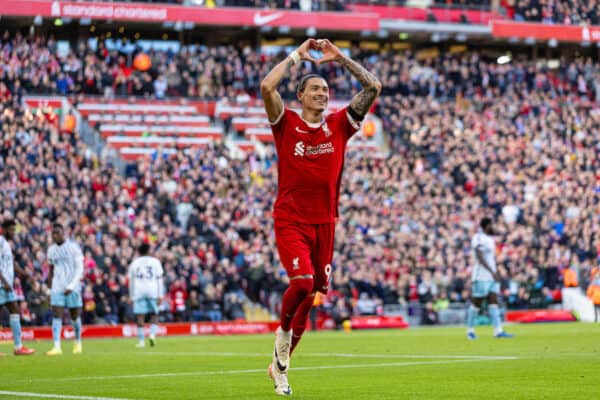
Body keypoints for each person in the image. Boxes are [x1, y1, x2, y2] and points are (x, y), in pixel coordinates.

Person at [260, 38, 381, 395]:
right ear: (300, 95)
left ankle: (280, 366)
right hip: (291, 219)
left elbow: (373, 86)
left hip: (325, 223)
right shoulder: (286, 124)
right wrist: (297, 55)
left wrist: (340, 58)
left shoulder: (341, 125)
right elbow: (268, 86)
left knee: (312, 297)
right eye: (315, 89)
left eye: (326, 90)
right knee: (301, 283)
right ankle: (281, 348)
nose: (323, 94)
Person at [466, 217, 514, 339]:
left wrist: (496, 271)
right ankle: (470, 330)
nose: (493, 227)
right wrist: (492, 271)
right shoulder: (478, 237)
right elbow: (479, 255)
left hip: (492, 276)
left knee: (494, 302)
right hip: (481, 276)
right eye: (491, 225)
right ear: (486, 226)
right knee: (477, 303)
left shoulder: (490, 239)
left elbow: (490, 259)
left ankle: (498, 331)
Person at [46, 222, 84, 355]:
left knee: (74, 316)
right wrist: (49, 289)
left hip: (73, 287)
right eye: (53, 234)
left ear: (64, 233)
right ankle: (57, 346)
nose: (55, 236)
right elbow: (50, 270)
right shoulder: (51, 250)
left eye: (57, 233)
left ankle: (78, 342)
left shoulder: (73, 248)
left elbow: (80, 268)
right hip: (57, 287)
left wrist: (72, 285)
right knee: (56, 315)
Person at [0, 219, 35, 356]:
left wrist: (25, 274)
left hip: (6, 286)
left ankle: (18, 347)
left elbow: (12, 264)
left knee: (15, 310)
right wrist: (5, 282)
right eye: (12, 230)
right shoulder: (1, 242)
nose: (14, 232)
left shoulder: (7, 244)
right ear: (5, 229)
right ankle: (18, 346)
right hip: (3, 285)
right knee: (13, 310)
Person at [128, 243, 164, 348]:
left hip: (139, 291)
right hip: (152, 290)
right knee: (154, 314)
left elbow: (131, 281)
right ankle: (152, 334)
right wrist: (160, 295)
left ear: (139, 252)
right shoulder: (155, 262)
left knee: (140, 316)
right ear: (149, 251)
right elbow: (159, 279)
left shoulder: (134, 263)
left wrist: (131, 295)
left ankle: (141, 341)